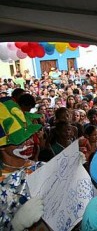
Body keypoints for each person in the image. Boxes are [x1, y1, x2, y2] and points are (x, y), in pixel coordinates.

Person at [0, 97, 49, 230]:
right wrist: (15, 225)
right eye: (21, 138)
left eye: (29, 135)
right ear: (2, 146)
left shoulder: (41, 167)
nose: (30, 142)